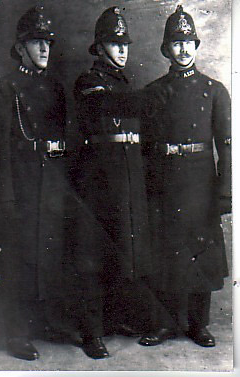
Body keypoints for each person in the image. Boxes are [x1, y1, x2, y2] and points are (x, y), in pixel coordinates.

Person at [0, 5, 83, 360]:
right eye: (36, 42)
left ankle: (45, 323)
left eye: (48, 43)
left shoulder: (54, 88)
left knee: (49, 255)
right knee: (18, 259)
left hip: (51, 185)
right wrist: (5, 199)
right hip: (20, 188)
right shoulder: (3, 88)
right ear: (20, 46)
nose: (44, 49)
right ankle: (16, 333)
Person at [73, 6, 175, 359]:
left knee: (127, 254)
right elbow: (106, 104)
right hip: (99, 179)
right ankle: (92, 334)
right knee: (92, 258)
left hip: (128, 178)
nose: (122, 50)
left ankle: (120, 321)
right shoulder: (89, 82)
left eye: (125, 44)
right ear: (99, 47)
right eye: (114, 44)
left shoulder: (124, 82)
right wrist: (146, 101)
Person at [140, 5, 231, 348]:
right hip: (164, 182)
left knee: (200, 251)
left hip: (200, 184)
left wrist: (225, 193)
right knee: (166, 252)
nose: (182, 49)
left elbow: (227, 146)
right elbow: (145, 147)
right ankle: (165, 323)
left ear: (196, 46)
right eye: (176, 43)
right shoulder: (153, 91)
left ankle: (199, 324)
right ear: (167, 49)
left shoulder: (215, 90)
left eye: (188, 42)